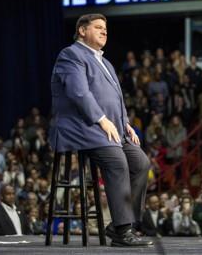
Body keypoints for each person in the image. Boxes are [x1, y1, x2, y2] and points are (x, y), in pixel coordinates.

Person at [49, 13, 151, 247]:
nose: (104, 31)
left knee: (140, 162)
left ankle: (120, 225)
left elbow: (117, 98)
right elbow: (79, 93)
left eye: (105, 28)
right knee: (117, 162)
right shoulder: (70, 55)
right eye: (98, 27)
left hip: (112, 129)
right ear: (82, 31)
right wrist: (102, 119)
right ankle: (124, 230)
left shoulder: (106, 63)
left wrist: (125, 123)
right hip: (82, 127)